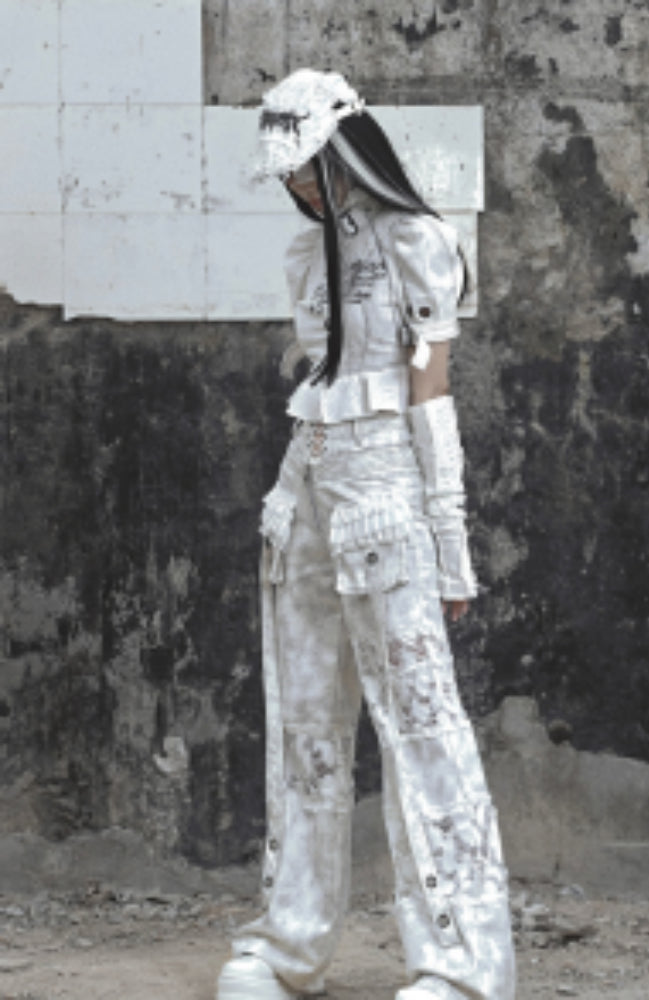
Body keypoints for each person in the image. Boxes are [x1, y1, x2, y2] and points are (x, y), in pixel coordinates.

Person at [216, 69, 516, 1000]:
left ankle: (464, 965)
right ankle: (289, 943)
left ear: (346, 150)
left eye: (307, 166)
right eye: (289, 173)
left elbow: (433, 396)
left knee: (422, 725)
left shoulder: (422, 241)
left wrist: (450, 545)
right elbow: (321, 374)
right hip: (305, 486)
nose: (299, 186)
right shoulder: (306, 259)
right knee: (303, 720)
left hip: (388, 490)